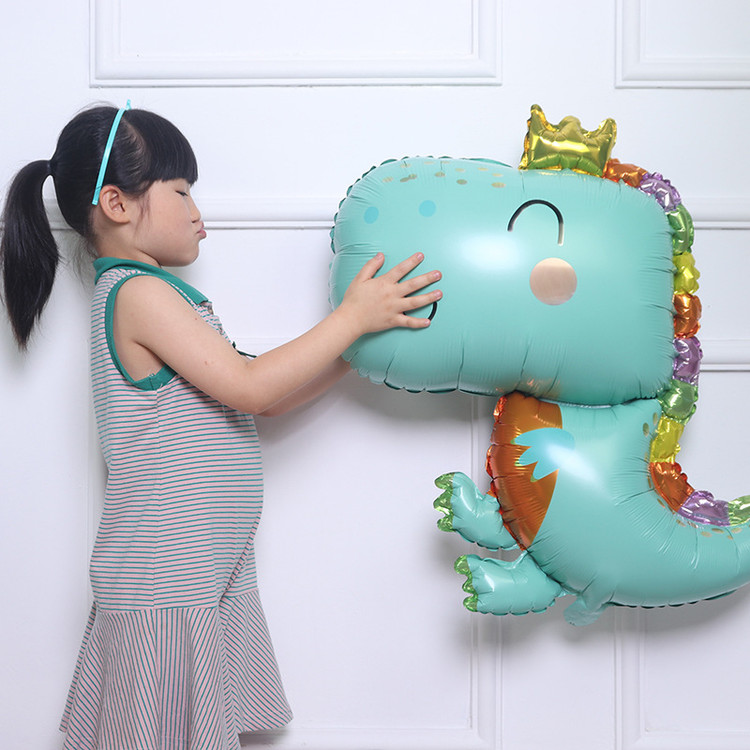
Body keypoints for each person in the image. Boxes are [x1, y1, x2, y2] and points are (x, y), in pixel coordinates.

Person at [0, 102, 442, 750]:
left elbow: (263, 400)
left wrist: (356, 350)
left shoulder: (160, 295)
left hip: (201, 571)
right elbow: (250, 383)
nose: (198, 213)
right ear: (117, 204)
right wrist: (350, 317)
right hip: (162, 577)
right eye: (181, 192)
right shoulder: (137, 294)